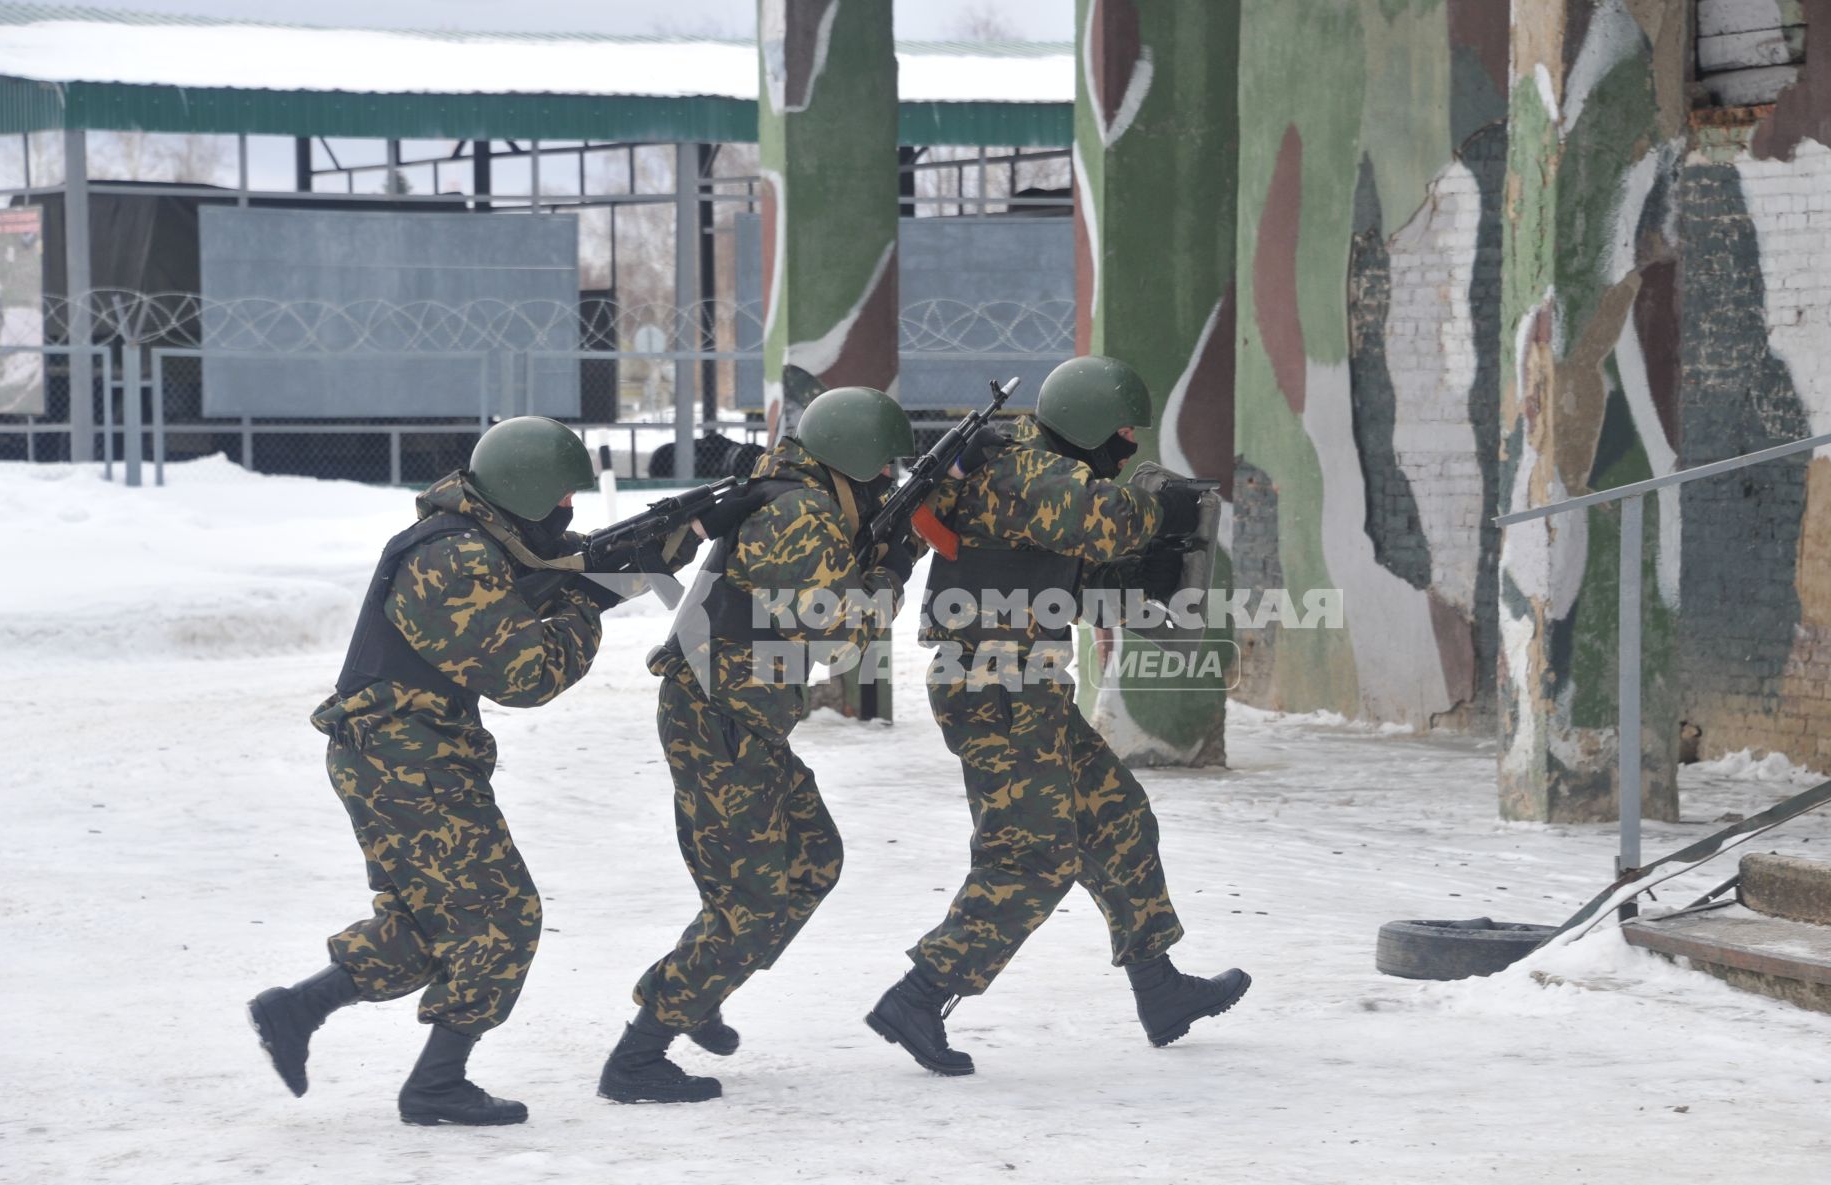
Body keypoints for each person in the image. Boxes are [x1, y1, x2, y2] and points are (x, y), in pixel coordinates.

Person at [248, 416, 688, 1126]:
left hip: (405, 754)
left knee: (429, 925)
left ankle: (298, 1008)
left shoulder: (488, 535)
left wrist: (655, 548)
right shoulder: (452, 559)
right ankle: (436, 1084)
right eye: (562, 498)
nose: (570, 511)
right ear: (528, 494)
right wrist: (587, 605)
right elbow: (527, 674)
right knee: (502, 918)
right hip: (401, 759)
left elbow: (560, 563)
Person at [865, 355, 1250, 1076]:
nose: (1128, 446)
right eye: (1121, 431)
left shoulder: (1033, 473)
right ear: (1087, 423)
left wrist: (1135, 579)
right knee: (1032, 856)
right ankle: (921, 994)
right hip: (995, 686)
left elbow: (1052, 571)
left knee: (1117, 818)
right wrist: (1161, 511)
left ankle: (1159, 988)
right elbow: (1101, 519)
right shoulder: (1027, 471)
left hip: (1022, 682)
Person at [598, 386, 920, 1104]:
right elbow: (843, 641)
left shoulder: (806, 496)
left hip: (741, 719)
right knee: (752, 900)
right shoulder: (800, 514)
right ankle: (637, 1057)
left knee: (814, 859)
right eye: (883, 471)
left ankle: (694, 986)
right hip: (720, 721)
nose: (890, 484)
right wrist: (893, 570)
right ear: (851, 462)